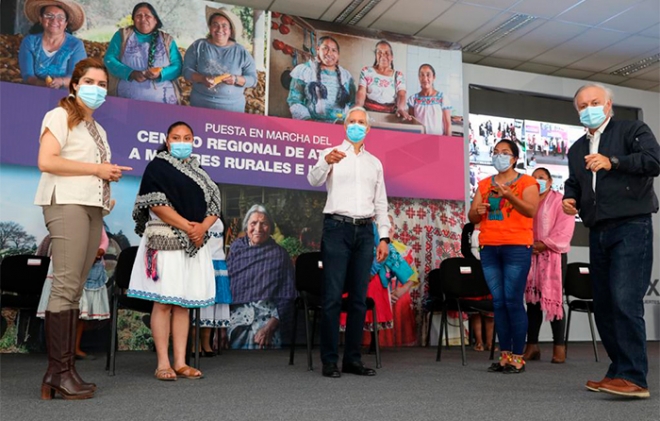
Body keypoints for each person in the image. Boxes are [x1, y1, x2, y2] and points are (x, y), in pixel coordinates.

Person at [34, 57, 131, 400]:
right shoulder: (59, 115)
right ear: (75, 84)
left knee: (74, 289)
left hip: (92, 208)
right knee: (64, 287)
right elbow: (47, 161)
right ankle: (56, 372)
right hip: (66, 202)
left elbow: (91, 170)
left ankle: (65, 370)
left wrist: (106, 177)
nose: (97, 89)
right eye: (90, 81)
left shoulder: (97, 128)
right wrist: (97, 169)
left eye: (103, 84)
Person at [563, 83, 659, 398]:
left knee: (624, 300)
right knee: (603, 304)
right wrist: (570, 198)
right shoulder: (577, 148)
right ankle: (618, 370)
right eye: (582, 105)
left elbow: (654, 161)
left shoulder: (633, 130)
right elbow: (575, 181)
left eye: (594, 102)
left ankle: (635, 377)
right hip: (598, 229)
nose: (588, 108)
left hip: (632, 225)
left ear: (608, 105)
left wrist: (613, 161)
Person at [128, 121, 221, 381]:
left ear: (193, 141)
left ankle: (180, 362)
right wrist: (188, 227)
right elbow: (156, 204)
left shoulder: (199, 172)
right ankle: (162, 363)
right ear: (168, 142)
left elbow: (215, 204)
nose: (182, 141)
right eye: (176, 137)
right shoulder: (157, 167)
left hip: (195, 241)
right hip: (165, 240)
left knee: (183, 304)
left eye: (187, 137)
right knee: (165, 302)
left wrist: (202, 227)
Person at [308, 106, 390, 378]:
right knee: (332, 297)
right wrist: (326, 162)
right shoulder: (330, 153)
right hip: (337, 228)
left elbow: (381, 203)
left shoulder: (374, 163)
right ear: (344, 127)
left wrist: (385, 237)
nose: (356, 126)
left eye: (361, 122)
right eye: (351, 122)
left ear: (368, 128)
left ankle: (352, 360)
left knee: (358, 299)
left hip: (366, 232)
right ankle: (329, 360)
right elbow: (312, 179)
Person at [468, 139, 539, 374]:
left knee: (512, 300)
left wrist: (509, 195)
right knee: (498, 302)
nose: (500, 156)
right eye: (496, 152)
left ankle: (518, 356)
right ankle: (504, 355)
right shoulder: (484, 183)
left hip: (517, 247)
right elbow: (472, 217)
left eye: (505, 152)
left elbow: (530, 210)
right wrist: (476, 212)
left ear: (515, 158)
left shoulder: (528, 182)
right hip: (489, 247)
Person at [226, 205, 296, 350]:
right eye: (253, 223)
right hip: (237, 316)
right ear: (246, 227)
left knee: (261, 351)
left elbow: (288, 294)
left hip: (266, 316)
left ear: (270, 228)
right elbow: (225, 287)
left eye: (264, 224)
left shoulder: (279, 254)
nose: (258, 229)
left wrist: (270, 326)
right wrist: (218, 327)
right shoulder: (236, 249)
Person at [523, 168, 574, 364]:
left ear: (551, 181)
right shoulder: (528, 202)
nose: (538, 181)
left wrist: (544, 244)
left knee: (554, 301)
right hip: (531, 255)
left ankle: (559, 347)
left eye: (542, 178)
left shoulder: (560, 201)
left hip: (553, 256)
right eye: (534, 178)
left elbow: (565, 229)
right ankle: (532, 346)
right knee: (532, 301)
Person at [37, 227, 112, 359]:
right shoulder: (66, 218)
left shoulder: (96, 220)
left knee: (80, 312)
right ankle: (59, 349)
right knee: (62, 308)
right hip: (66, 265)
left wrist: (99, 252)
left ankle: (74, 349)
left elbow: (104, 241)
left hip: (89, 268)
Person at [104, 2, 182, 104]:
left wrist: (161, 74)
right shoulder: (122, 36)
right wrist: (130, 73)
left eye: (147, 16)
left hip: (163, 102)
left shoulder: (167, 40)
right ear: (133, 20)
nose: (143, 19)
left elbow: (178, 66)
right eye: (138, 16)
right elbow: (109, 59)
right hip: (126, 102)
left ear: (155, 20)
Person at [183, 6, 257, 112]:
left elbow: (253, 80)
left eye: (224, 26)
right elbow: (186, 71)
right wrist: (202, 79)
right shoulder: (198, 46)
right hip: (200, 105)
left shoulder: (241, 52)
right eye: (215, 25)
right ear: (210, 27)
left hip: (232, 108)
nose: (219, 29)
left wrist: (235, 79)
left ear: (231, 30)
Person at [19, 0, 87, 89]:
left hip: (66, 96)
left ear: (66, 23)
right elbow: (28, 75)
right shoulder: (30, 42)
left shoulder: (75, 45)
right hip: (35, 91)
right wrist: (43, 84)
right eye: (49, 15)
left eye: (60, 17)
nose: (54, 20)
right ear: (41, 19)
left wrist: (61, 82)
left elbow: (77, 78)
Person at [287, 36, 355, 122]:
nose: (329, 53)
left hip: (340, 127)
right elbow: (295, 99)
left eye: (334, 50)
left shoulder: (346, 76)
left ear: (338, 55)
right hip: (312, 126)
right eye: (325, 48)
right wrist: (307, 121)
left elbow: (352, 103)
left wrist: (346, 121)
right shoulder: (305, 71)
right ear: (318, 49)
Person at [193, 218, 232, 356]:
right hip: (198, 260)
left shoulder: (216, 213)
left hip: (218, 260)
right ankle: (194, 344)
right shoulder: (195, 211)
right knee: (198, 300)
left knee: (213, 303)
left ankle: (205, 343)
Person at [460, 222, 495, 352]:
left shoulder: (493, 223)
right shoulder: (469, 227)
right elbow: (464, 249)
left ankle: (490, 343)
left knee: (490, 310)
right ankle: (479, 341)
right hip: (473, 270)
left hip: (491, 268)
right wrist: (474, 264)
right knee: (475, 308)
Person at [355, 40, 409, 119]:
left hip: (390, 116)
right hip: (368, 114)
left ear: (392, 57)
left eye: (387, 53)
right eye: (379, 52)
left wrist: (401, 109)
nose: (383, 56)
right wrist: (358, 105)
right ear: (376, 56)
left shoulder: (398, 76)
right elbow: (361, 91)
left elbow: (401, 94)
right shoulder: (366, 71)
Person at [407, 64, 452, 135]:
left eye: (428, 75)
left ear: (434, 77)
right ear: (419, 78)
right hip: (419, 141)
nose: (425, 79)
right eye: (422, 75)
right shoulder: (413, 99)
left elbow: (447, 124)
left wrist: (447, 143)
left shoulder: (442, 98)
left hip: (438, 140)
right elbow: (412, 124)